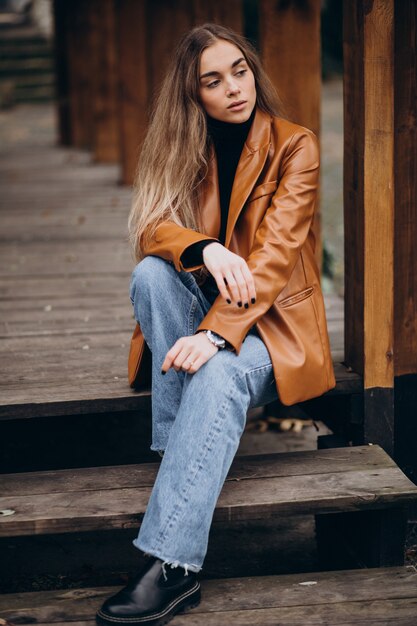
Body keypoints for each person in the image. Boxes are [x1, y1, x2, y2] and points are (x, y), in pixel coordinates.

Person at [96, 22, 336, 626]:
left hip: (274, 332)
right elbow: (151, 230)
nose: (233, 88)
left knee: (222, 374)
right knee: (152, 275)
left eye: (240, 71)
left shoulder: (295, 145)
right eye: (213, 80)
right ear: (193, 95)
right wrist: (204, 248)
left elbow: (277, 257)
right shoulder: (182, 147)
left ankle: (172, 567)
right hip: (201, 310)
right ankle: (188, 453)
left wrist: (213, 335)